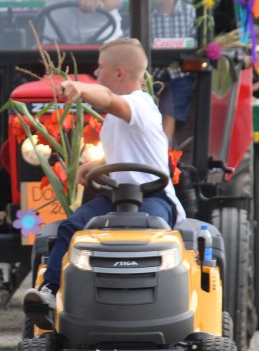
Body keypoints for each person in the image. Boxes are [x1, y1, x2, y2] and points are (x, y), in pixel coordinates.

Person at [23, 38, 187, 328]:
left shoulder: (138, 105)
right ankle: (50, 292)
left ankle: (164, 303)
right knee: (72, 227)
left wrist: (81, 88)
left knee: (156, 235)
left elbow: (107, 97)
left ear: (120, 73)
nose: (96, 74)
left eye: (100, 68)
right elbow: (132, 152)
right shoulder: (121, 117)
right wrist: (96, 165)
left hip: (153, 197)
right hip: (116, 198)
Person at [146, 0, 198, 142]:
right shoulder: (146, 17)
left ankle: (165, 145)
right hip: (154, 73)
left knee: (173, 98)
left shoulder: (190, 14)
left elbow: (198, 43)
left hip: (181, 74)